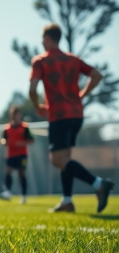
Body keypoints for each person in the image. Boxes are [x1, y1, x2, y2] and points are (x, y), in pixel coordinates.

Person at [28, 23, 114, 213]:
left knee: (57, 159)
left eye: (43, 39)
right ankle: (67, 201)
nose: (42, 42)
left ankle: (99, 184)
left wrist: (37, 106)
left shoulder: (41, 60)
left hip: (59, 115)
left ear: (48, 39)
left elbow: (33, 89)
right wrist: (81, 95)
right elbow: (97, 76)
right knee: (65, 158)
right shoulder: (73, 59)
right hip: (76, 114)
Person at [0, 105, 34, 204]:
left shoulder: (24, 127)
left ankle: (23, 195)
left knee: (21, 173)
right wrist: (5, 142)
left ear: (20, 115)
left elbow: (31, 140)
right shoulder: (7, 128)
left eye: (17, 114)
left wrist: (22, 143)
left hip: (22, 154)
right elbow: (3, 139)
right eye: (13, 114)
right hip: (11, 154)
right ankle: (8, 192)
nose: (15, 116)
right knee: (8, 171)